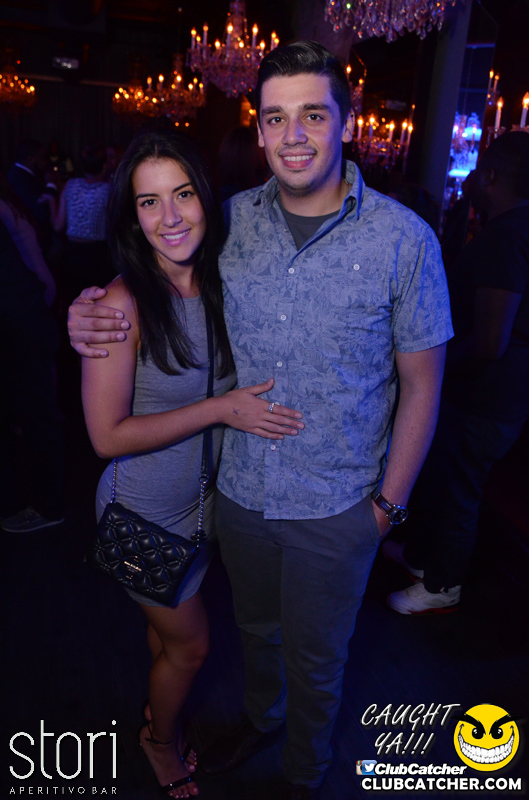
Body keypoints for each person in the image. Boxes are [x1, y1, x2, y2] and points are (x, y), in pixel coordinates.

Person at [67, 42, 453, 800]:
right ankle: (258, 719)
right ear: (259, 127)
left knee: (318, 659)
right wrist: (88, 313)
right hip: (236, 499)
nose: (293, 135)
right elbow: (152, 268)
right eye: (276, 117)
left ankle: (304, 777)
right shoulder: (231, 222)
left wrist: (387, 506)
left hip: (337, 505)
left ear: (347, 123)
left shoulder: (404, 240)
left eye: (313, 114)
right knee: (255, 637)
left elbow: (423, 385)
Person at [80, 129, 304, 799]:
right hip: (139, 516)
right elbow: (106, 437)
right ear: (131, 216)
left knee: (166, 639)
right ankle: (158, 743)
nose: (170, 217)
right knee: (192, 647)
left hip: (201, 510)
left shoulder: (219, 283)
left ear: (206, 197)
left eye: (182, 194)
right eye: (149, 202)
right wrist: (221, 410)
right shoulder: (120, 305)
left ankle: (160, 711)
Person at [384, 130, 529, 615]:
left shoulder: (505, 236)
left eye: (477, 169)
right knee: (447, 479)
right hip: (504, 392)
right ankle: (424, 560)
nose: (468, 178)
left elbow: (490, 341)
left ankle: (443, 584)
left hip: (486, 395)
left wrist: (430, 367)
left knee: (459, 489)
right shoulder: (515, 228)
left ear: (491, 176)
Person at [0, 176, 64, 531]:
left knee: (38, 416)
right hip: (33, 309)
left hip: (23, 320)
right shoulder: (11, 202)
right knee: (37, 414)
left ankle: (48, 507)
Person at [52, 144, 114, 300]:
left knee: (74, 301)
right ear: (104, 165)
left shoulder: (70, 185)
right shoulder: (109, 190)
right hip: (97, 255)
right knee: (98, 301)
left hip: (72, 254)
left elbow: (58, 225)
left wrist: (50, 201)